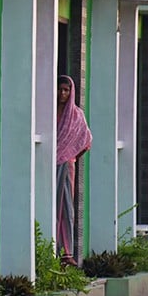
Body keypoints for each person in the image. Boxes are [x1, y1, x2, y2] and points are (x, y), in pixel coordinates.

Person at [56, 75, 91, 266]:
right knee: (52, 204)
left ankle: (67, 252)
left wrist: (69, 154)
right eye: (60, 89)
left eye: (66, 90)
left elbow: (86, 141)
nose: (62, 93)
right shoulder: (49, 111)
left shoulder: (76, 115)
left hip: (67, 164)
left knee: (67, 206)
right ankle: (53, 248)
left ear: (71, 92)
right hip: (50, 164)